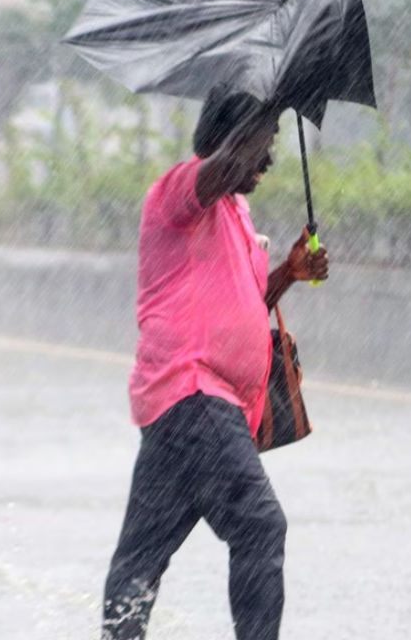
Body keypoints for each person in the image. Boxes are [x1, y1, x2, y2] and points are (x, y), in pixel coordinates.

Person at [101, 86, 330, 640]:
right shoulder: (179, 190)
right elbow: (223, 167)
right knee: (259, 523)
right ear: (234, 138)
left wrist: (289, 272)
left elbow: (244, 306)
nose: (269, 158)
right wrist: (270, 107)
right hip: (194, 393)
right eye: (263, 143)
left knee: (141, 559)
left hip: (187, 408)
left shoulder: (236, 215)